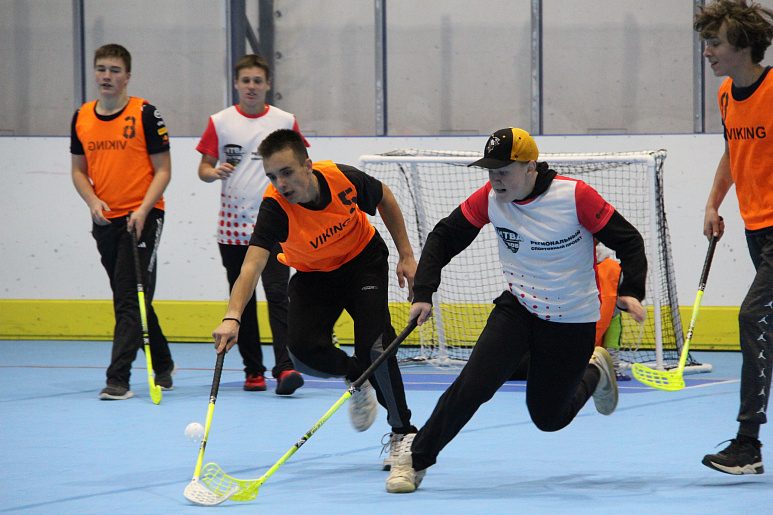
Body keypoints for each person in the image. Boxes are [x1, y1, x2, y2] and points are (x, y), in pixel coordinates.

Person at [385, 127, 647, 493]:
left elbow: (629, 241)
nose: (495, 180)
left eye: (503, 171)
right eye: (490, 172)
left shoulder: (575, 196)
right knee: (473, 385)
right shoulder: (490, 198)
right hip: (519, 308)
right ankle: (416, 460)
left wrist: (631, 291)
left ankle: (596, 370)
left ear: (530, 168)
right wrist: (424, 292)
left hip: (572, 319)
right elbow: (445, 236)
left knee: (549, 418)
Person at [212, 129, 419, 468]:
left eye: (287, 172)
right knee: (302, 353)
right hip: (314, 274)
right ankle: (357, 375)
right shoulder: (275, 208)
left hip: (362, 261)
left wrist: (406, 255)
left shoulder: (343, 178)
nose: (280, 183)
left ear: (307, 166)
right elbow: (251, 265)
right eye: (272, 176)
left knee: (376, 347)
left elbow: (385, 197)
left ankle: (403, 433)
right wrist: (232, 317)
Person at [197, 54, 308, 395]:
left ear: (268, 85)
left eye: (257, 81)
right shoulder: (221, 122)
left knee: (278, 295)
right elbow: (203, 168)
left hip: (275, 226)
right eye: (245, 80)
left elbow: (303, 164)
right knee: (242, 299)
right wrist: (213, 172)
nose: (251, 86)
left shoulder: (284, 120)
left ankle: (285, 367)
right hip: (233, 229)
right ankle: (253, 370)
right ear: (236, 83)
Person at [70, 44, 175, 400]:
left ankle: (118, 379)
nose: (106, 76)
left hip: (142, 218)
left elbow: (163, 170)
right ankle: (163, 363)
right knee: (130, 297)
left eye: (114, 70)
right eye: (101, 69)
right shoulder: (82, 117)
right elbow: (78, 170)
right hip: (105, 221)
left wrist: (143, 210)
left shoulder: (145, 113)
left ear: (127, 76)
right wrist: (92, 201)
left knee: (128, 299)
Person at [695, 0, 773, 476]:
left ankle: (747, 443)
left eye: (714, 43)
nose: (707, 51)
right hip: (756, 228)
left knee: (752, 316)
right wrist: (713, 203)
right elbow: (733, 150)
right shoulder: (727, 94)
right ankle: (750, 446)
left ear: (742, 45)